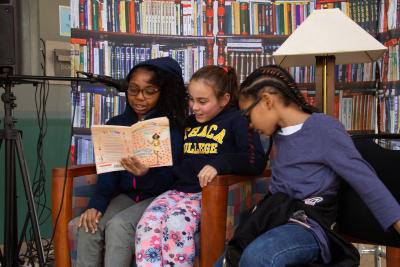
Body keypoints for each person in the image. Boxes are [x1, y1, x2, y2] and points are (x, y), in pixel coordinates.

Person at [215, 65, 400, 267]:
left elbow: (366, 181)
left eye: (247, 115)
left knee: (259, 256)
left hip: (309, 225)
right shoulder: (277, 135)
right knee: (226, 261)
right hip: (275, 220)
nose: (248, 124)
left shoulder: (323, 129)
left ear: (267, 101)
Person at [132, 65, 266, 266]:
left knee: (176, 223)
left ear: (224, 99)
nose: (194, 107)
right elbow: (176, 165)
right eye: (191, 99)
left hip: (207, 193)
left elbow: (255, 161)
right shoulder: (190, 123)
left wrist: (219, 164)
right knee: (147, 224)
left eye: (202, 101)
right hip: (178, 191)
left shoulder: (238, 119)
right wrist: (148, 170)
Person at [76, 57, 187, 267]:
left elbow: (172, 181)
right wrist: (95, 205)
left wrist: (146, 174)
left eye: (149, 91)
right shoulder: (116, 124)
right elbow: (108, 174)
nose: (139, 98)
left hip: (159, 197)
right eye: (133, 89)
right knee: (88, 225)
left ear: (163, 92)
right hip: (127, 195)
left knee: (119, 225)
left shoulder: (173, 129)